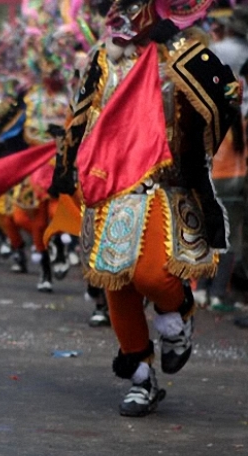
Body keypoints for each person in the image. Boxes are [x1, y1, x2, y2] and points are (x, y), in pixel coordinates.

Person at [52, 0, 241, 416]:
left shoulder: (186, 50)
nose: (124, 11)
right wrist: (65, 166)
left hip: (165, 184)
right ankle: (140, 378)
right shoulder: (105, 56)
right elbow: (81, 114)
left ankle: (179, 315)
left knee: (152, 274)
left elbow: (223, 99)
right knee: (117, 284)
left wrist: (173, 49)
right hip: (111, 188)